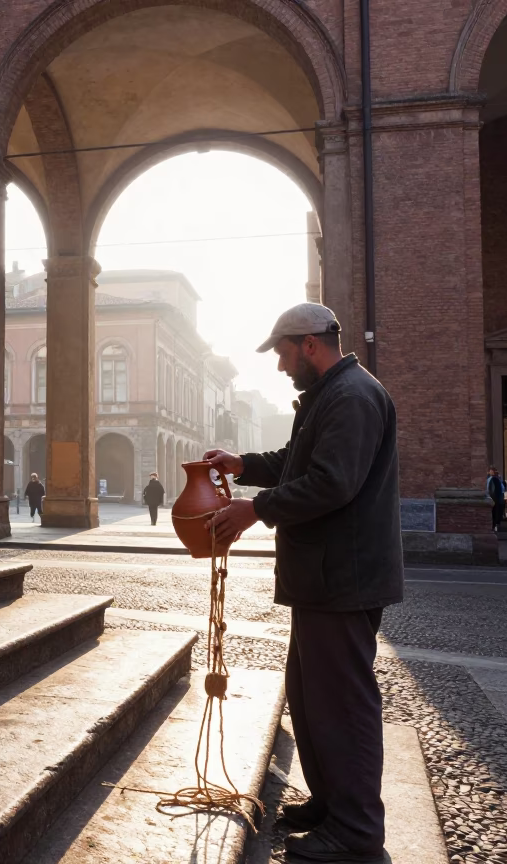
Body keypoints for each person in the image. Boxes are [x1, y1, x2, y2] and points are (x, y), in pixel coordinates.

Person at [204, 303, 402, 863]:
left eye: (284, 355)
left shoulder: (353, 397)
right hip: (324, 578)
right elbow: (298, 462)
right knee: (312, 699)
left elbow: (331, 484)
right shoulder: (330, 396)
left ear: (309, 345)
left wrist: (254, 509)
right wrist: (243, 464)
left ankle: (357, 831)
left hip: (344, 578)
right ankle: (332, 804)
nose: (280, 367)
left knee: (341, 704)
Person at [487, 466, 506, 531]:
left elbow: (496, 489)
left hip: (494, 498)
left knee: (495, 512)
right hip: (496, 498)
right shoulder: (496, 479)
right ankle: (495, 524)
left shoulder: (494, 479)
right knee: (495, 512)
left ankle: (494, 525)